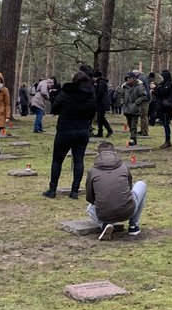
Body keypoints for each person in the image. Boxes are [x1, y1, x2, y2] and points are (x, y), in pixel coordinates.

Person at [43, 70, 96, 200]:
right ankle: (74, 191)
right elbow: (92, 112)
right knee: (79, 160)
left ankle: (52, 189)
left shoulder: (66, 92)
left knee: (57, 160)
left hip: (65, 129)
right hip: (82, 129)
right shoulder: (90, 94)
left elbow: (55, 108)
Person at [86, 140, 148, 239]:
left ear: (97, 154)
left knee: (89, 209)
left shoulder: (92, 171)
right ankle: (133, 226)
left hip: (103, 214)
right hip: (128, 211)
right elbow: (129, 189)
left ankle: (104, 225)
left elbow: (89, 197)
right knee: (141, 184)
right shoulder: (124, 167)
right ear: (115, 153)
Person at [120, 71, 148, 140]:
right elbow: (122, 95)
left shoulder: (139, 86)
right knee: (129, 123)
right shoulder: (125, 87)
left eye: (129, 78)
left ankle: (133, 138)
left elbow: (144, 96)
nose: (128, 80)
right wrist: (122, 102)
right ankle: (133, 134)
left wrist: (137, 102)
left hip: (135, 107)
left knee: (133, 124)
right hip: (127, 108)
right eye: (127, 78)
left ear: (134, 78)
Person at [154, 69, 172, 149]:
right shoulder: (162, 84)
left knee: (166, 124)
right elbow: (159, 94)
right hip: (162, 107)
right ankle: (167, 140)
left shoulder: (168, 84)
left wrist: (156, 89)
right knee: (164, 124)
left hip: (167, 107)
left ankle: (168, 140)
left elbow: (164, 92)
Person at [94, 73, 113, 137]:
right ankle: (100, 132)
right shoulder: (100, 82)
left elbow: (99, 93)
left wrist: (94, 97)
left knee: (101, 117)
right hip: (101, 103)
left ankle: (109, 130)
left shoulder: (101, 83)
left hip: (102, 103)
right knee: (100, 118)